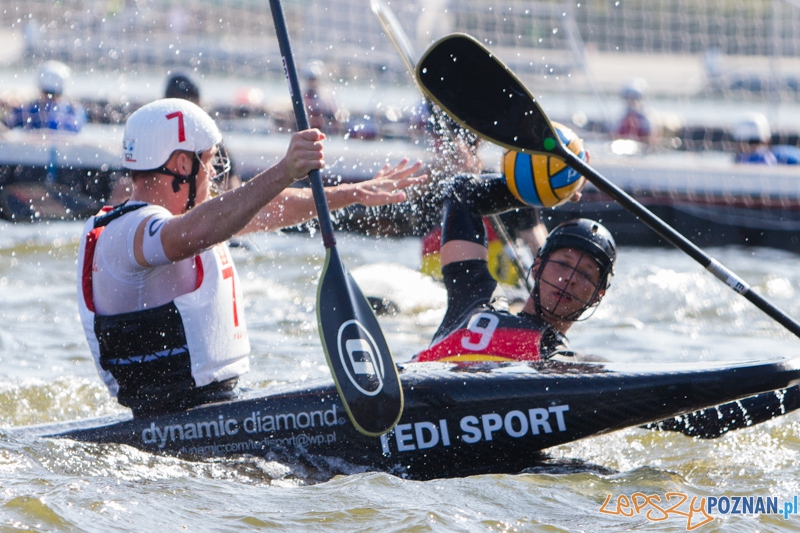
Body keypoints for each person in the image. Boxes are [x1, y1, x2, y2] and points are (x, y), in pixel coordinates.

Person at [77, 98, 425, 416]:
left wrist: (350, 194)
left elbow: (263, 208)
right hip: (176, 414)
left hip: (213, 407)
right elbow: (193, 234)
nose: (213, 174)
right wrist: (285, 168)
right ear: (182, 165)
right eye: (209, 160)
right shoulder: (127, 232)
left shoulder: (190, 221)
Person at [412, 172, 615, 363]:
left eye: (585, 274)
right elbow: (462, 191)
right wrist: (546, 190)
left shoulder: (573, 368)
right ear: (537, 267)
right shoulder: (473, 299)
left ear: (597, 295)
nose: (570, 278)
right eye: (563, 264)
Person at [6, 61, 87, 132]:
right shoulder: (75, 111)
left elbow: (7, 124)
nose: (50, 99)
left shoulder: (27, 111)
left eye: (54, 95)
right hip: (65, 148)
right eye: (48, 94)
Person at [614, 78, 652, 144]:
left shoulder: (645, 118)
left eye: (634, 98)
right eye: (628, 98)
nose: (631, 101)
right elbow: (615, 135)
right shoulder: (621, 117)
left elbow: (650, 137)